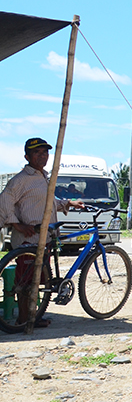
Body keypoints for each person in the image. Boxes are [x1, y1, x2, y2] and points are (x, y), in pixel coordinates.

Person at [0, 137, 73, 328]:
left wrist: (68, 203)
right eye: (36, 152)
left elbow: (48, 203)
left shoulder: (42, 177)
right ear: (27, 157)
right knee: (25, 283)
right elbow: (4, 201)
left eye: (45, 152)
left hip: (43, 237)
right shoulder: (21, 180)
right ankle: (23, 320)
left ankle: (34, 317)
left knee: (37, 281)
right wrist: (17, 225)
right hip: (28, 239)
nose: (42, 156)